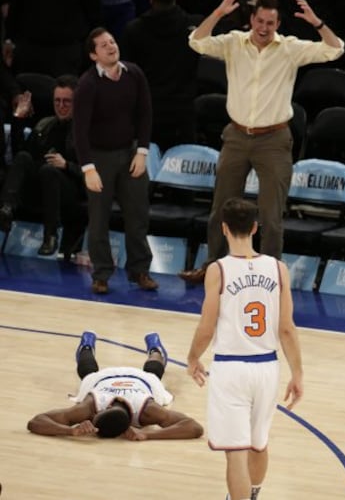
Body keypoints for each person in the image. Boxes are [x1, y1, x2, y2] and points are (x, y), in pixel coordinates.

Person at [179, 0, 344, 285]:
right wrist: (217, 13)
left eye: (270, 22)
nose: (264, 27)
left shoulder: (290, 49)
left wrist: (317, 23)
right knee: (221, 209)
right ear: (251, 19)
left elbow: (335, 50)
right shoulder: (232, 42)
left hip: (274, 139)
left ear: (278, 23)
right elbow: (196, 42)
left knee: (270, 215)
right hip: (236, 136)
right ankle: (212, 269)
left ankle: (271, 278)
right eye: (259, 20)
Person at [187, 197, 304, 500]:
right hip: (267, 368)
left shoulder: (219, 270)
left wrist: (192, 357)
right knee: (258, 444)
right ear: (255, 228)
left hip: (231, 368)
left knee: (235, 454)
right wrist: (298, 373)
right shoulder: (278, 269)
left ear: (224, 228)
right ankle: (251, 495)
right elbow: (287, 328)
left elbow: (207, 324)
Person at [73, 27, 158, 293]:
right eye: (103, 45)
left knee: (138, 215)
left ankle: (140, 270)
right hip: (99, 157)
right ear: (93, 55)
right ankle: (101, 274)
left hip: (130, 153)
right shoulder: (87, 84)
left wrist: (142, 151)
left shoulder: (134, 74)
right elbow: (79, 131)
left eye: (112, 41)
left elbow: (145, 114)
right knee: (98, 219)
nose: (111, 47)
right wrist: (88, 169)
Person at [28, 330, 204, 441]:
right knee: (153, 374)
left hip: (107, 379)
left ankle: (87, 345)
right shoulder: (147, 410)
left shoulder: (90, 406)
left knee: (88, 374)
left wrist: (70, 431)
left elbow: (36, 422)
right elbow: (194, 427)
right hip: (138, 380)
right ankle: (154, 348)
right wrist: (148, 435)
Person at [0, 75, 86, 257]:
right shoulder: (45, 125)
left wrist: (67, 165)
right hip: (40, 189)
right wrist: (18, 119)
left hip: (71, 193)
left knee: (49, 170)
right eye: (57, 101)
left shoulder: (86, 132)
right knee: (24, 157)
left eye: (67, 102)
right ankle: (6, 210)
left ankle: (51, 236)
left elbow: (95, 176)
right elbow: (20, 157)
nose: (61, 106)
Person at [121, 0, 203, 152]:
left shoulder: (133, 30)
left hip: (149, 112)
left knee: (146, 171)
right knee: (182, 172)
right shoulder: (194, 28)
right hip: (183, 112)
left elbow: (128, 74)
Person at [4, 0, 101, 77]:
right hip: (29, 51)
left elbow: (94, 13)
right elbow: (15, 9)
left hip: (67, 52)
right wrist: (9, 39)